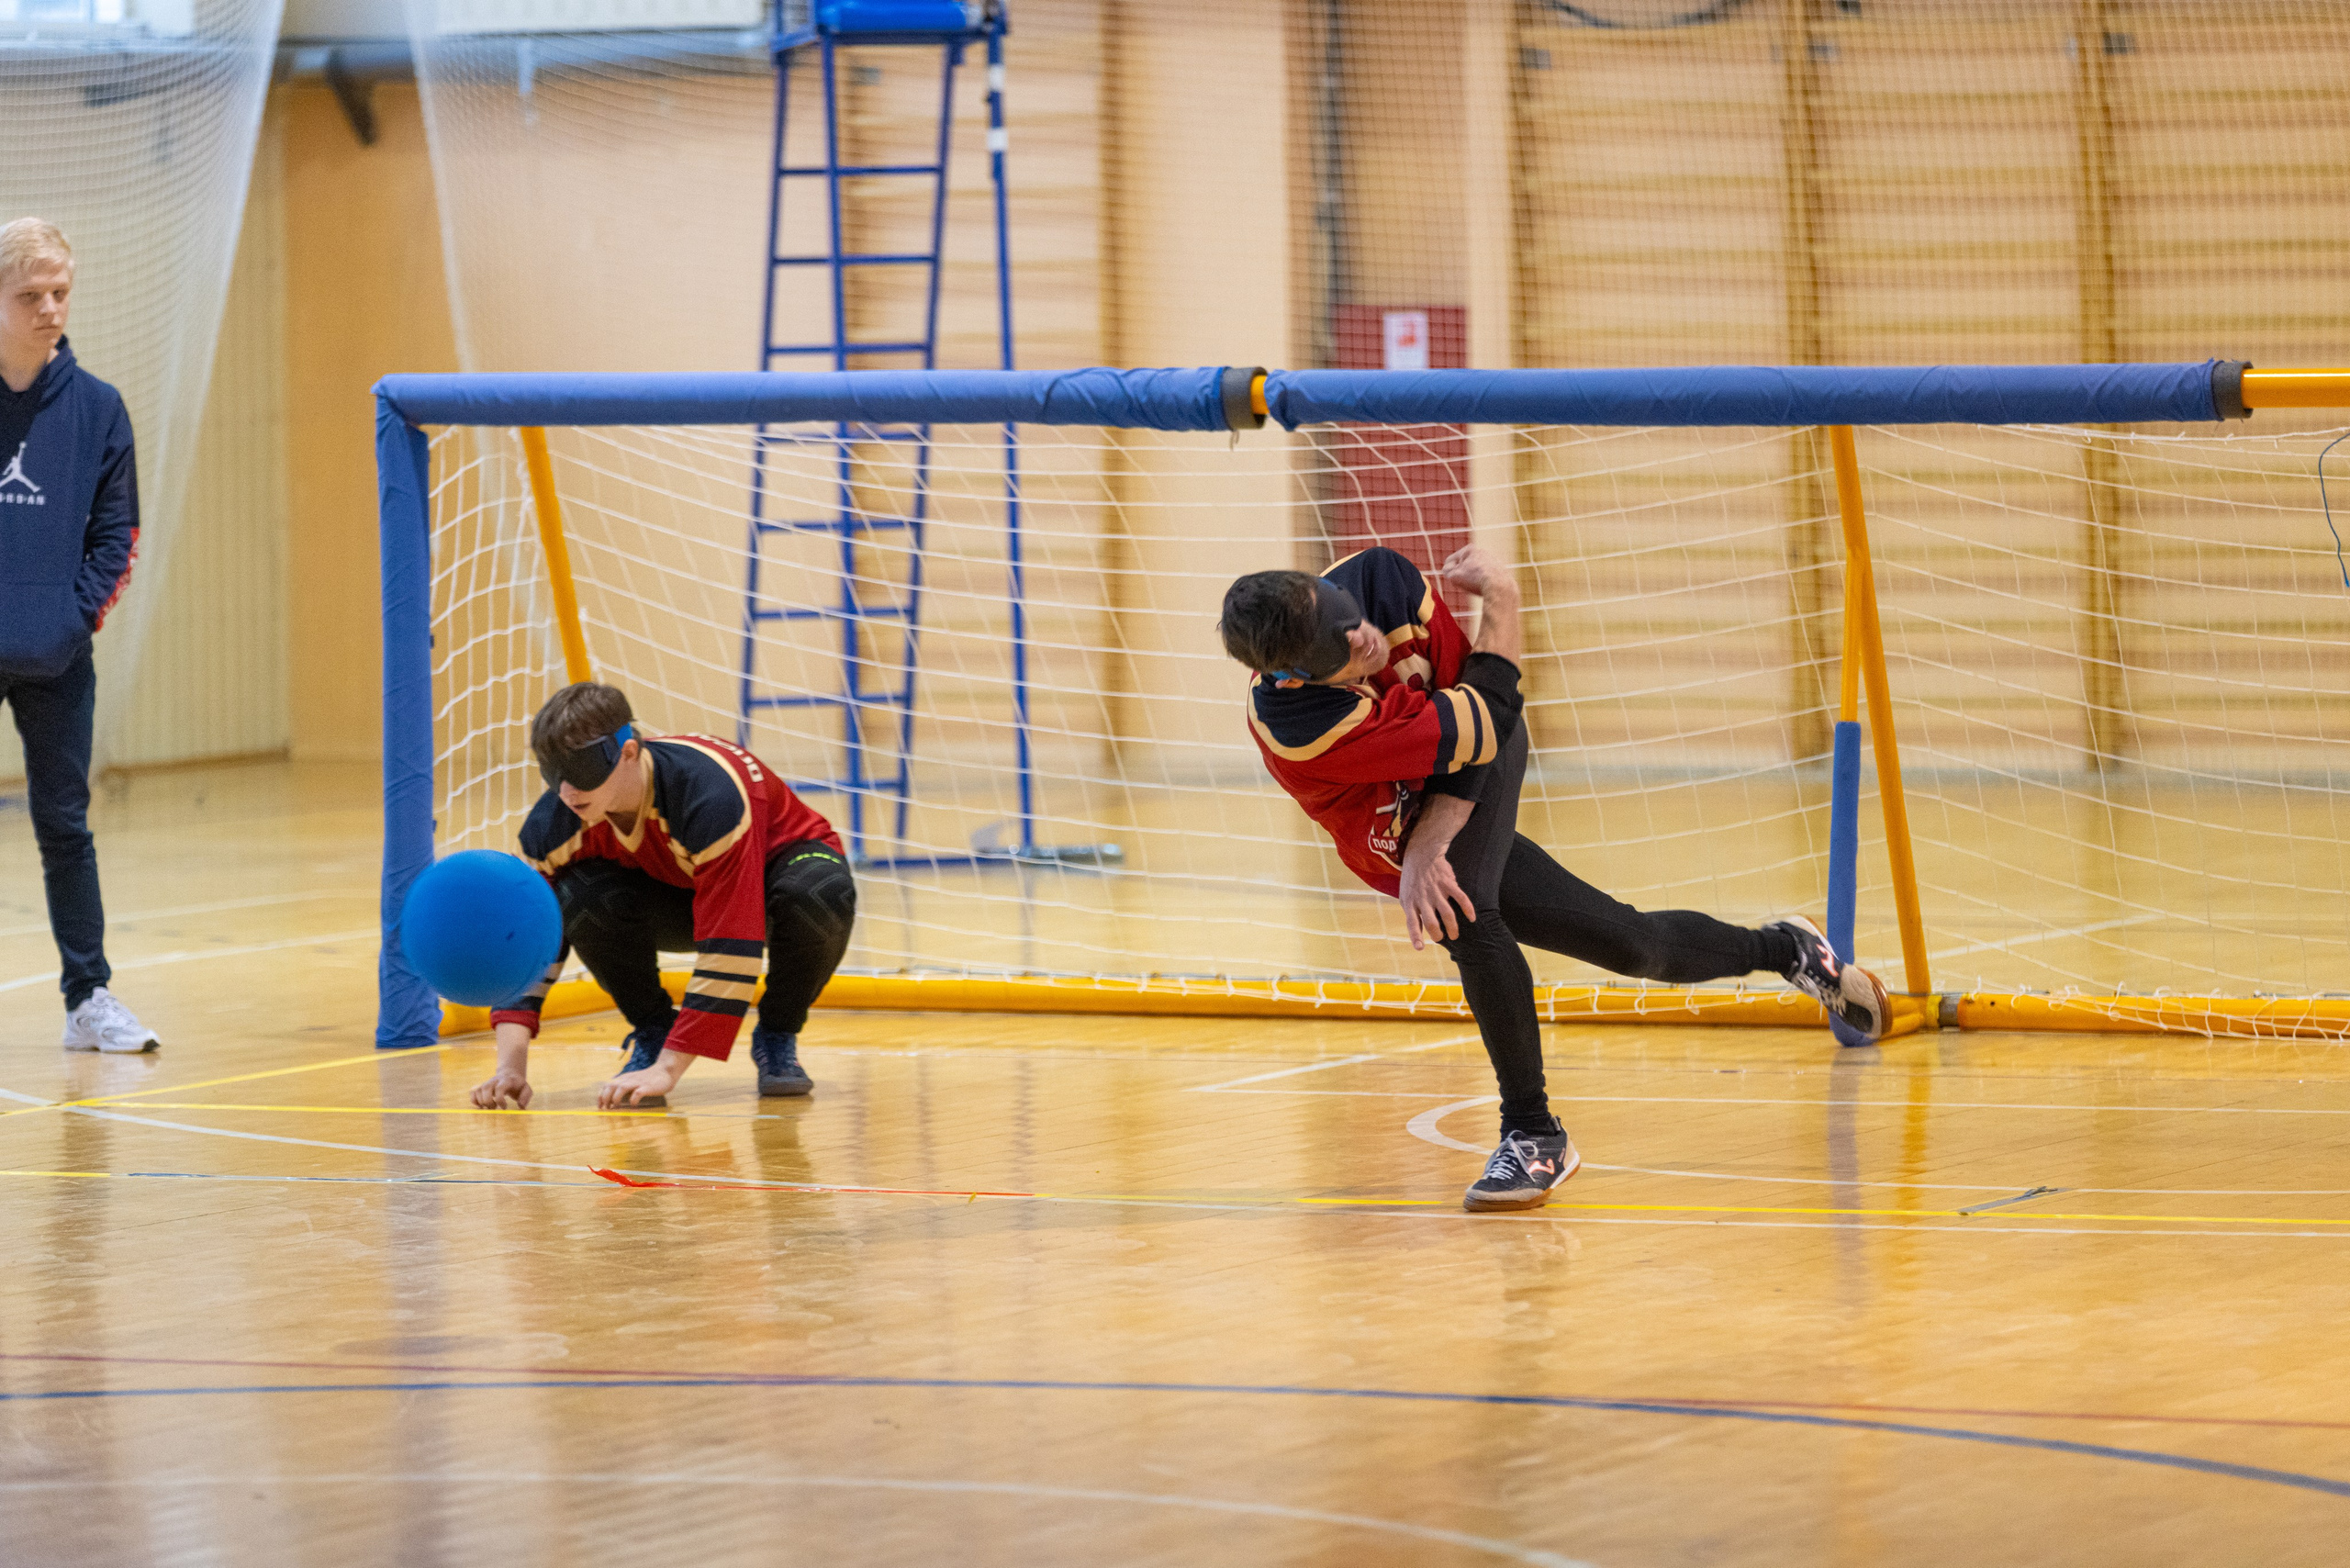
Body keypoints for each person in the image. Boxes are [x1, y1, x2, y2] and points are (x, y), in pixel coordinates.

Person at [1219, 543, 1886, 1214]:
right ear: (1297, 672)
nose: (1363, 639)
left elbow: (1488, 708)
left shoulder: (1380, 581)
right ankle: (1791, 949)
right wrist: (1421, 840)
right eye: (1342, 648)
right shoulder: (1301, 727)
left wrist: (1503, 599)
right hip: (1400, 828)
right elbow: (1470, 717)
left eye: (1353, 621)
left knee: (1467, 912)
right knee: (1632, 944)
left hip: (1481, 737)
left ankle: (1533, 1133)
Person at [469, 682, 856, 1111]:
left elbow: (732, 942)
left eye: (580, 773)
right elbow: (529, 942)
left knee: (821, 891)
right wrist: (511, 1067)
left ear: (629, 753)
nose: (567, 792)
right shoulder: (558, 819)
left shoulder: (710, 795)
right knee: (579, 894)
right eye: (553, 774)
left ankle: (778, 1033)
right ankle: (653, 1030)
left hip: (771, 879)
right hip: (678, 890)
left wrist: (669, 1071)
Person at [0, 217, 156, 1054]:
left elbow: (117, 537)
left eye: (60, 292)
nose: (50, 308)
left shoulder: (98, 409)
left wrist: (69, 619)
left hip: (57, 657)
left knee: (66, 825)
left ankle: (88, 998)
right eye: (30, 295)